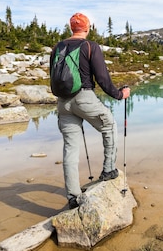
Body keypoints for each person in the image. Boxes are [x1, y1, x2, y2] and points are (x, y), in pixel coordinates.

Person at [51, 12, 131, 210]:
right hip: (84, 98)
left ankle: (73, 196)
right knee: (109, 126)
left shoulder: (57, 47)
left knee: (70, 149)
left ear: (72, 28)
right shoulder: (89, 46)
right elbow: (103, 79)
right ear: (87, 28)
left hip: (63, 103)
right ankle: (108, 170)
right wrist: (120, 95)